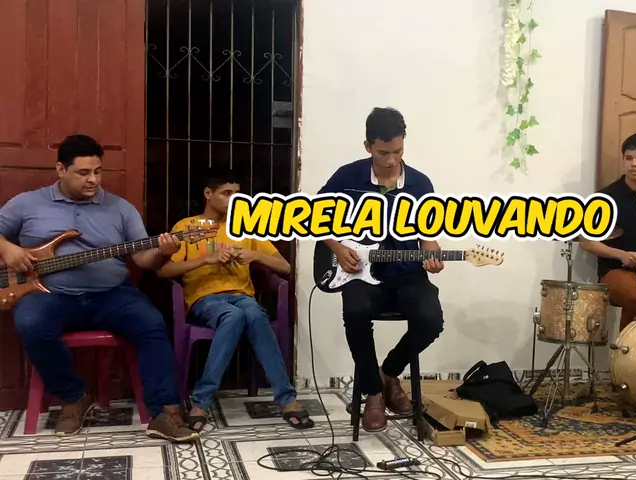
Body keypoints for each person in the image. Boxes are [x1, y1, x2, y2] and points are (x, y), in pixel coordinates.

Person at [0, 134, 198, 442]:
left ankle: (165, 413)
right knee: (31, 323)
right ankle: (74, 397)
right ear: (61, 169)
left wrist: (163, 252)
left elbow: (143, 259)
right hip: (49, 296)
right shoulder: (27, 203)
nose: (93, 179)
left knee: (151, 323)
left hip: (112, 295)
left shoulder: (121, 209)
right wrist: (7, 249)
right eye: (83, 173)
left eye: (98, 171)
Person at [317, 107, 445, 432]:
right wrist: (337, 248)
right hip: (361, 274)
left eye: (398, 151)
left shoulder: (420, 184)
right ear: (368, 146)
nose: (391, 160)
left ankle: (389, 373)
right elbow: (313, 216)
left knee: (431, 320)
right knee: (356, 312)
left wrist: (433, 257)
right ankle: (373, 394)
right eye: (383, 153)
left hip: (407, 274)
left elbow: (428, 238)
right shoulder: (347, 177)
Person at [156, 172, 313, 431]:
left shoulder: (244, 226)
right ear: (208, 194)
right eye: (226, 194)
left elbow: (284, 266)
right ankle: (202, 401)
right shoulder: (188, 226)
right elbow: (164, 271)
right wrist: (206, 259)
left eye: (238, 195)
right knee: (235, 316)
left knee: (254, 314)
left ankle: (286, 400)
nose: (234, 200)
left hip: (242, 297)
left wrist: (254, 255)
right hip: (204, 299)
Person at [579, 133, 636, 332]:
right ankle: (626, 347)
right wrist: (622, 255)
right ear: (623, 161)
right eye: (629, 158)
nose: (634, 164)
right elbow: (586, 242)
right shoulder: (605, 197)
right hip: (613, 270)